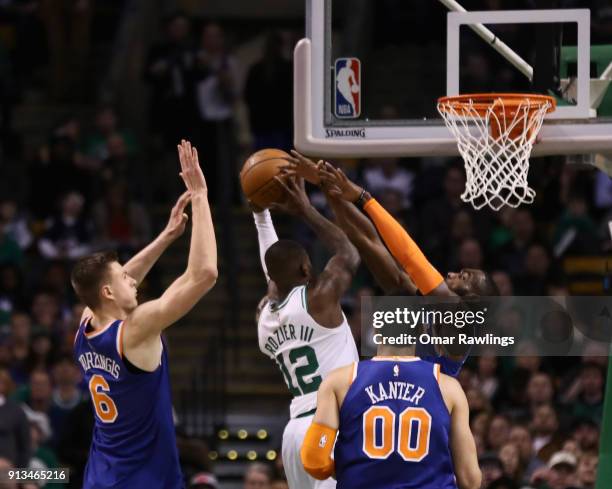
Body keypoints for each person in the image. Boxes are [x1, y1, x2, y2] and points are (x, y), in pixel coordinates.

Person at [71, 140, 217, 488]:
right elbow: (204, 274)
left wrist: (167, 236)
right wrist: (200, 196)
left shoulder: (85, 324)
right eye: (123, 277)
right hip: (144, 480)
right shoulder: (134, 330)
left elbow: (123, 278)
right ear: (107, 292)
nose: (132, 279)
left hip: (101, 477)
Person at [252, 174, 360, 489]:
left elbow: (273, 275)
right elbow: (349, 253)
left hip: (294, 434)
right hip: (330, 424)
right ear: (305, 269)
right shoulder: (319, 298)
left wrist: (261, 216)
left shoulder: (263, 317)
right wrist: (305, 209)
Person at [300, 341, 481, 489]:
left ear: (376, 331)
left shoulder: (340, 380)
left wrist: (348, 471)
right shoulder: (448, 386)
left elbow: (314, 459)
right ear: (420, 333)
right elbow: (470, 480)